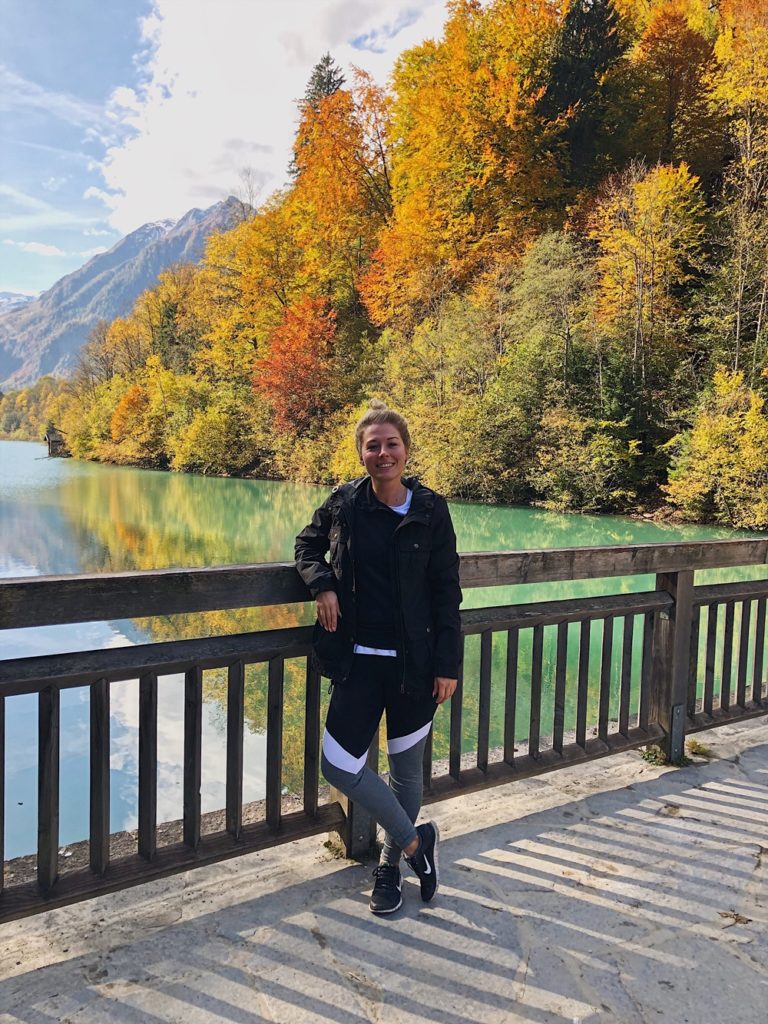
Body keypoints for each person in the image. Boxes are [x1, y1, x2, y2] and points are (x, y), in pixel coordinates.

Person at [295, 401, 462, 915]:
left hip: (416, 664)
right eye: (373, 445)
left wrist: (448, 664)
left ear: (406, 450)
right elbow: (307, 545)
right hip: (358, 660)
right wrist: (322, 585)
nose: (383, 453)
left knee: (407, 773)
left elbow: (445, 592)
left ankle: (390, 865)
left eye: (391, 444)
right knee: (339, 765)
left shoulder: (431, 510)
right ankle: (416, 844)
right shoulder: (344, 504)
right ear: (361, 453)